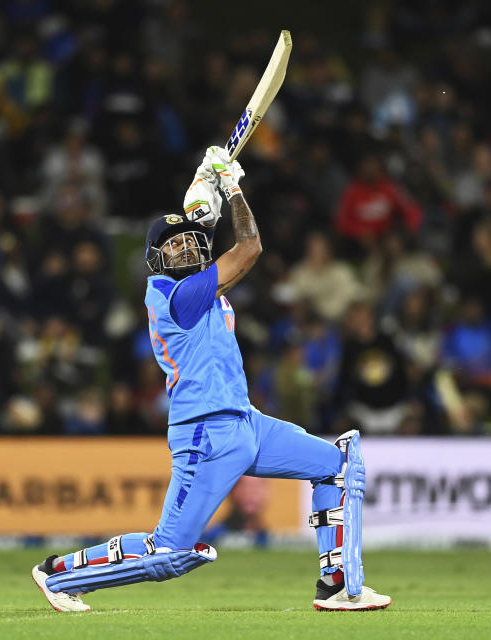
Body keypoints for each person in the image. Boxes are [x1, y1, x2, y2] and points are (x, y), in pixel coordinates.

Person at [31, 147, 390, 612]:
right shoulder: (174, 294)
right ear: (155, 259)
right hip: (205, 433)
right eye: (173, 244)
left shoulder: (201, 285)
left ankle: (339, 585)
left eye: (190, 241)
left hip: (246, 422)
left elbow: (217, 247)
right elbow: (250, 248)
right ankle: (61, 574)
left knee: (338, 465)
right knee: (169, 553)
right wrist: (232, 186)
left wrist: (210, 197)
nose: (185, 247)